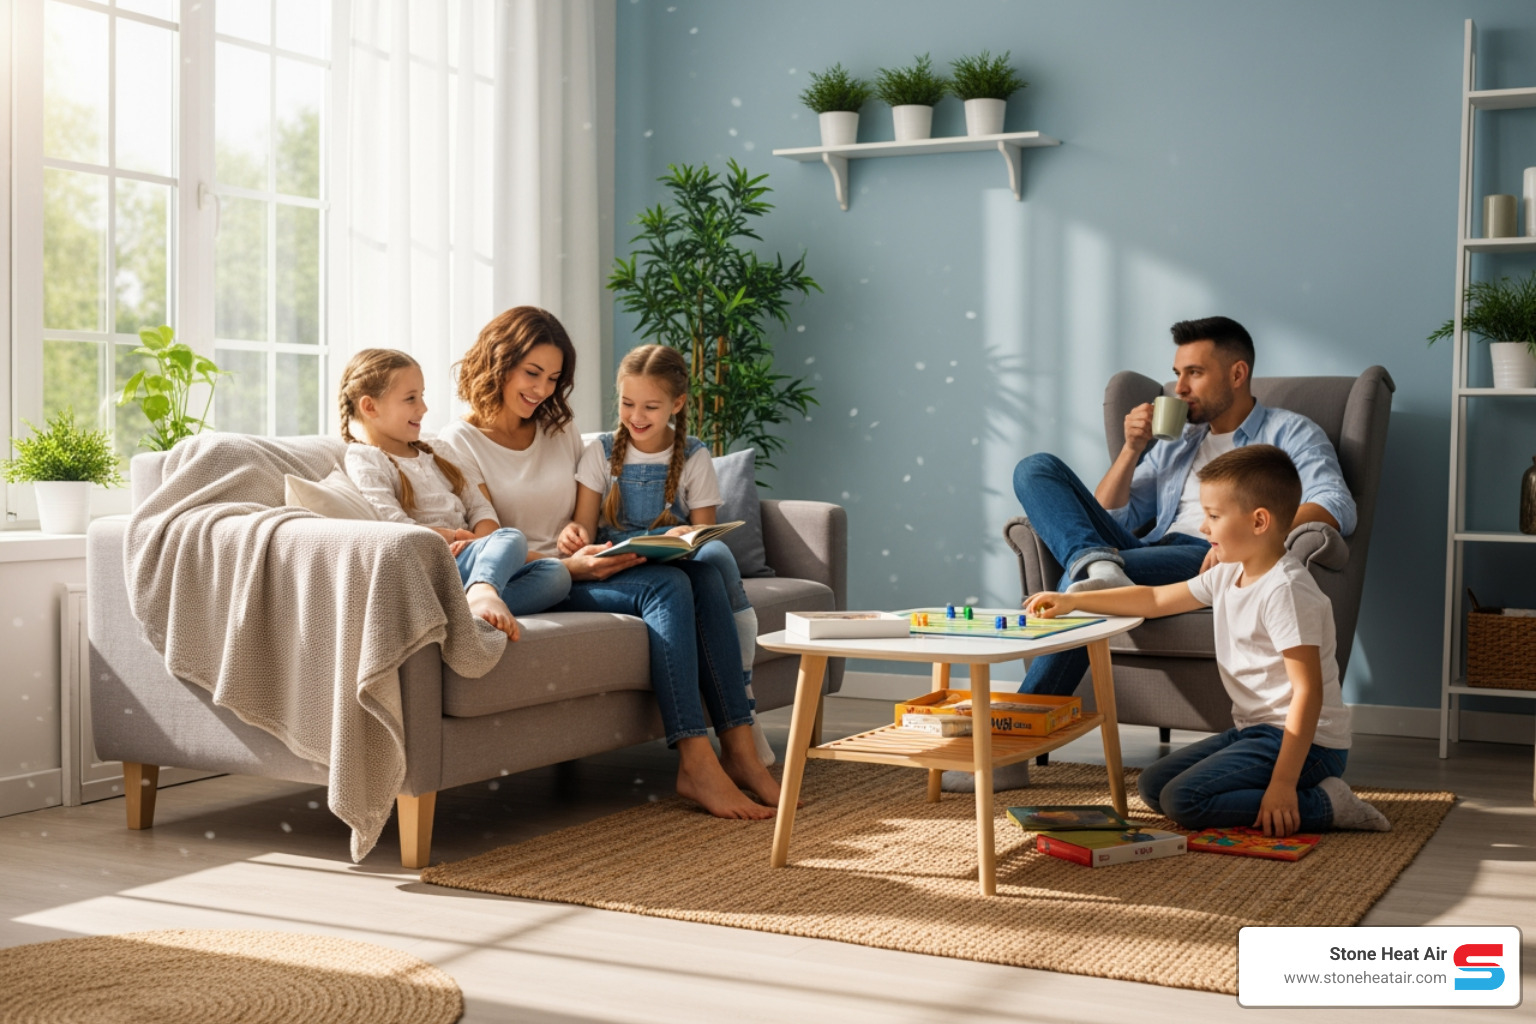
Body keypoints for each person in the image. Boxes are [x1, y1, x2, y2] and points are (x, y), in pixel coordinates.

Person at [437, 307, 784, 821]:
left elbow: (585, 512)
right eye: (532, 373)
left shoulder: (558, 426)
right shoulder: (458, 442)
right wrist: (569, 564)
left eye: (553, 378)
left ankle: (739, 751)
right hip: (536, 576)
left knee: (703, 573)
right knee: (668, 588)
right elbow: (491, 540)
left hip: (585, 560)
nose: (542, 390)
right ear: (498, 362)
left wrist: (590, 543)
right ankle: (695, 761)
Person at [1025, 445, 1389, 836]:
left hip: (1312, 744)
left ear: (1259, 521)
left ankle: (1324, 804)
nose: (1203, 527)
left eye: (1213, 516)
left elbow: (1308, 692)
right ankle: (1288, 791)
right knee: (1152, 786)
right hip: (1256, 730)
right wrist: (1074, 601)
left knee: (1184, 800)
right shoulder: (1228, 573)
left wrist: (1283, 784)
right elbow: (1154, 599)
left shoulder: (1286, 591)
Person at [1013, 316, 1356, 699]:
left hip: (1203, 553)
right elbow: (1114, 517)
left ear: (1237, 374)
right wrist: (1131, 450)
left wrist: (1241, 542)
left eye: (1194, 373)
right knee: (1035, 468)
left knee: (1078, 581)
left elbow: (1335, 505)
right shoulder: (1179, 440)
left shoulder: (1290, 432)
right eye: (1178, 374)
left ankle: (1024, 711)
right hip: (1150, 548)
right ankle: (1098, 566)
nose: (1179, 388)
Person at [560, 344, 772, 766]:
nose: (636, 416)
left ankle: (742, 696)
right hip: (617, 563)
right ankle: (737, 717)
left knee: (716, 557)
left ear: (676, 404)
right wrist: (572, 534)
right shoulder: (600, 452)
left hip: (674, 559)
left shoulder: (692, 454)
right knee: (699, 572)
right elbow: (584, 529)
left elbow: (703, 530)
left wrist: (680, 535)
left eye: (650, 407)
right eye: (627, 403)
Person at [337, 348, 571, 640]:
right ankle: (482, 591)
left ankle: (469, 602)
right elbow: (393, 524)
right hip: (434, 562)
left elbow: (480, 507)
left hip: (471, 556)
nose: (423, 408)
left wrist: (480, 542)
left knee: (556, 575)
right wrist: (455, 536)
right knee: (512, 537)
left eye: (422, 396)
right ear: (370, 407)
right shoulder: (365, 458)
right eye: (411, 399)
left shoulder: (439, 450)